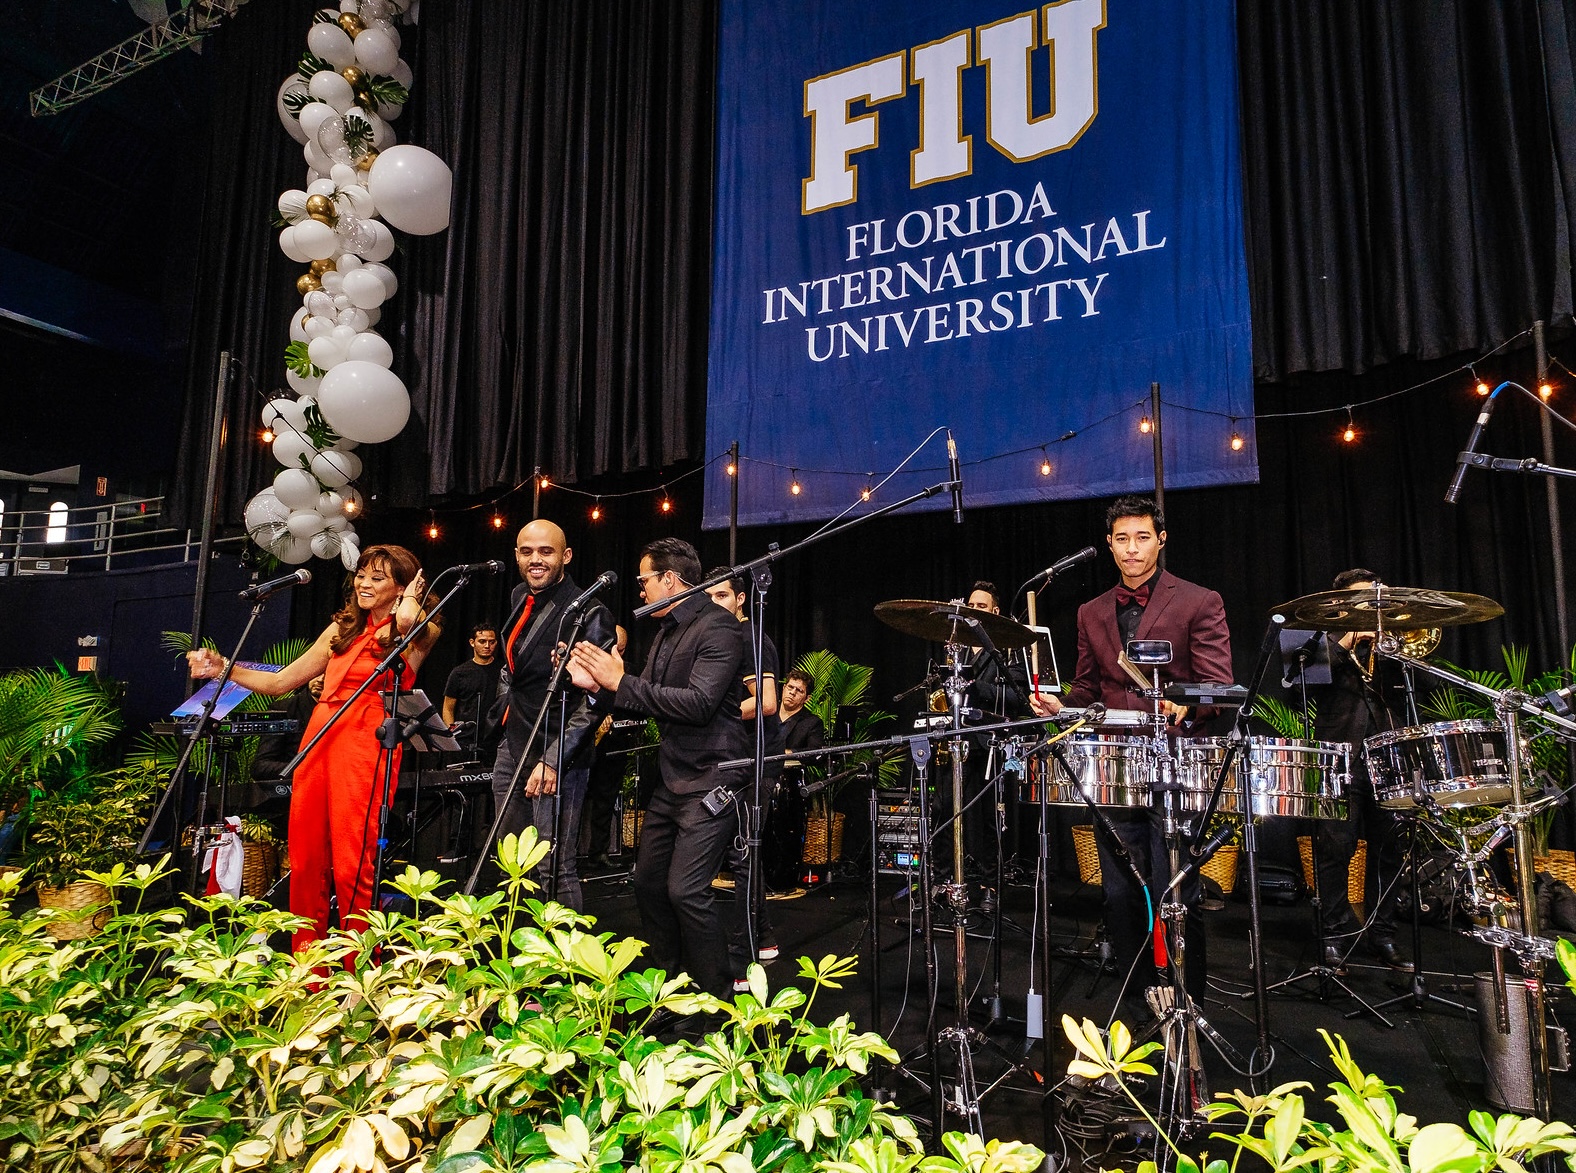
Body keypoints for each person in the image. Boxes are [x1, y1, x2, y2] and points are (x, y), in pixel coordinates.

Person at [187, 545, 442, 953]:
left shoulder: (418, 628)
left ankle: (360, 970)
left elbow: (410, 622)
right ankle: (310, 966)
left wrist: (410, 599)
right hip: (318, 745)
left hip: (365, 749)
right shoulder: (341, 629)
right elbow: (281, 681)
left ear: (402, 586)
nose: (364, 583)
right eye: (362, 574)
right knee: (305, 862)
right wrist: (224, 670)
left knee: (352, 864)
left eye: (378, 578)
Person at [1030, 496, 1234, 1000]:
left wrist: (1186, 706)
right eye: (1122, 539)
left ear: (1161, 541)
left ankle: (1186, 999)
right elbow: (1087, 690)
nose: (1132, 549)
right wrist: (1060, 705)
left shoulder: (1198, 600)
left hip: (1175, 766)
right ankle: (1141, 995)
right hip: (1114, 770)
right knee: (1120, 892)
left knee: (1174, 890)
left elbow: (1218, 686)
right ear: (1109, 544)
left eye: (1143, 537)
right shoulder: (1091, 612)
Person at [567, 537, 749, 998]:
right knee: (648, 884)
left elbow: (701, 705)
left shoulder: (720, 628)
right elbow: (642, 697)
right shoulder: (667, 631)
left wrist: (619, 681)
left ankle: (716, 999)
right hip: (674, 777)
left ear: (670, 580)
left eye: (645, 580)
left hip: (714, 774)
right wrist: (597, 688)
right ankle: (671, 987)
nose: (641, 591)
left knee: (686, 891)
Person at [489, 520, 616, 913]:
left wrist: (553, 759)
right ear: (516, 555)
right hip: (513, 745)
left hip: (558, 752)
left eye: (545, 552)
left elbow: (597, 700)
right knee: (512, 863)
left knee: (553, 866)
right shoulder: (517, 596)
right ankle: (522, 958)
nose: (535, 559)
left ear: (566, 556)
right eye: (526, 551)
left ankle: (566, 969)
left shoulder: (591, 611)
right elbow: (511, 670)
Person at [1308, 569, 1413, 972]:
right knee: (1335, 848)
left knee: (1391, 849)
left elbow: (1416, 683)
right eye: (1363, 602)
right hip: (1340, 756)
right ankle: (1334, 933)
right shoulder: (1318, 641)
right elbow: (1301, 680)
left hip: (1390, 756)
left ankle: (1382, 934)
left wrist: (1394, 648)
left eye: (1376, 600)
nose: (1372, 608)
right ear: (1342, 606)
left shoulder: (1393, 644)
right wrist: (1347, 640)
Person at [704, 568, 785, 983]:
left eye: (722, 595)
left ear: (739, 600)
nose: (714, 602)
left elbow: (767, 702)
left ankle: (743, 958)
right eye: (709, 595)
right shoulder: (718, 639)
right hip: (734, 760)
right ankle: (765, 938)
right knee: (744, 857)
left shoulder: (750, 637)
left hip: (756, 762)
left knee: (741, 857)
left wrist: (709, 711)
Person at [961, 581, 1030, 869]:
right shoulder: (959, 647)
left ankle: (991, 881)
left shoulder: (1007, 646)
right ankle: (950, 874)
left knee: (990, 815)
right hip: (959, 738)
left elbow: (1018, 695)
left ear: (995, 611)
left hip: (990, 741)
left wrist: (977, 688)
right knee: (949, 809)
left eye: (982, 606)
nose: (975, 610)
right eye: (972, 606)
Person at [578, 624, 631, 867]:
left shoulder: (627, 672)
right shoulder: (583, 665)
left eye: (619, 649)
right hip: (581, 742)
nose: (614, 652)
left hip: (612, 746)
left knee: (605, 799)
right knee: (574, 797)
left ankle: (599, 852)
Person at [442, 622, 501, 763]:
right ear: (472, 642)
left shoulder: (503, 670)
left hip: (495, 739)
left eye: (491, 642)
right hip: (465, 740)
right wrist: (453, 734)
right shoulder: (459, 673)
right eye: (482, 641)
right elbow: (448, 707)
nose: (487, 646)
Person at [779, 670, 825, 755]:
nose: (792, 693)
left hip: (789, 766)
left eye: (799, 690)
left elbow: (815, 752)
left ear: (807, 698)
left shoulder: (812, 722)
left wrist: (789, 753)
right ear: (784, 687)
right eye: (790, 687)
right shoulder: (767, 712)